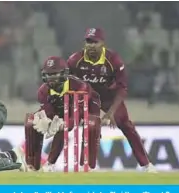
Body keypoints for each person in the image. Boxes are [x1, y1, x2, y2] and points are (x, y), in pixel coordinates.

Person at [67, 28, 156, 172]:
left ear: (102, 43)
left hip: (109, 97)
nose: (90, 45)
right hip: (88, 98)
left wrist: (111, 113)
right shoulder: (74, 60)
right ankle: (86, 165)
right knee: (90, 126)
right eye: (88, 42)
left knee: (126, 125)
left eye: (94, 42)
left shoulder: (113, 59)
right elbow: (67, 84)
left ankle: (146, 164)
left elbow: (122, 88)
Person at [24, 56, 102, 172]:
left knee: (91, 125)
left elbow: (76, 115)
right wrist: (48, 121)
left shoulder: (80, 87)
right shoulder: (43, 91)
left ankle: (86, 165)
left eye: (54, 74)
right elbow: (50, 112)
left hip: (87, 108)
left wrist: (64, 124)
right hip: (61, 109)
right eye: (48, 75)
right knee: (31, 122)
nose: (51, 79)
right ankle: (32, 165)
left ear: (65, 73)